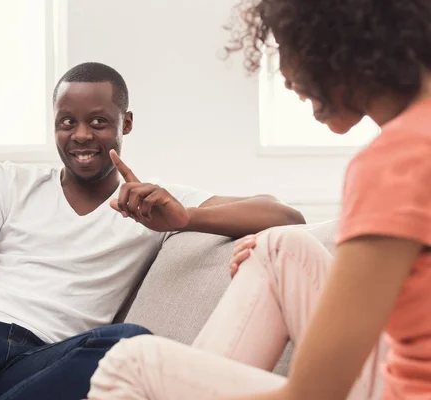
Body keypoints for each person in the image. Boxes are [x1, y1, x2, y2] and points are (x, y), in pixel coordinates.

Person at [0, 62, 304, 400]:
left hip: (48, 357)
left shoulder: (152, 203)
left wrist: (185, 218)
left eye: (99, 121)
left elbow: (284, 216)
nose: (81, 134)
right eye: (67, 122)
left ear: (126, 123)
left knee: (130, 341)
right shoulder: (10, 180)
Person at [87, 1, 431, 399]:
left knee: (128, 363)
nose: (285, 77)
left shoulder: (397, 161)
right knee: (281, 246)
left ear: (340, 39)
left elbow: (312, 395)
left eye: (288, 44)